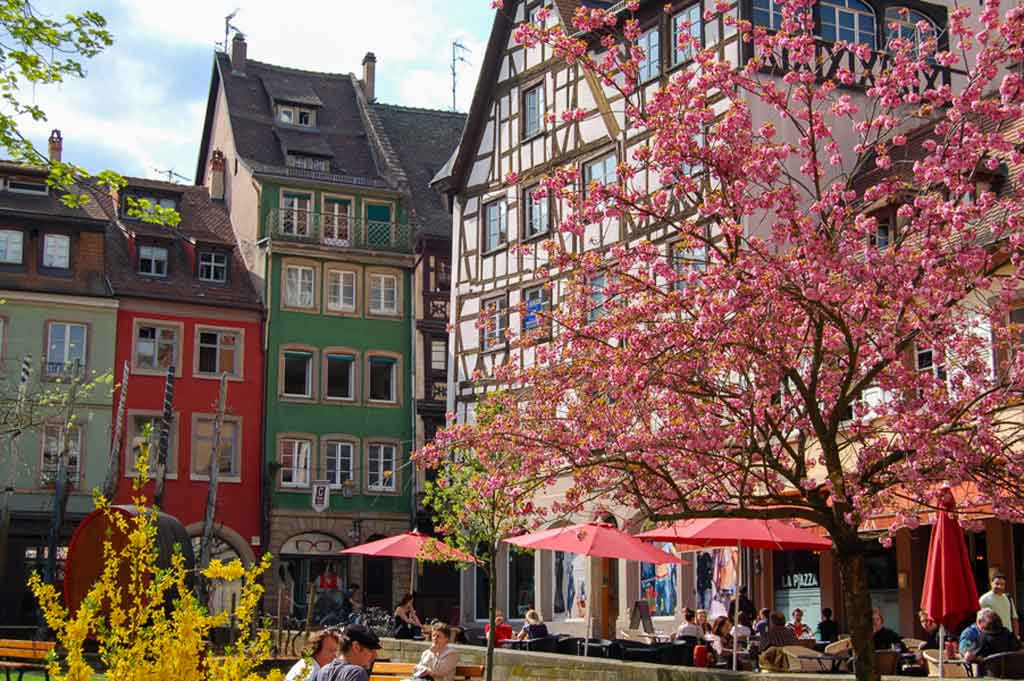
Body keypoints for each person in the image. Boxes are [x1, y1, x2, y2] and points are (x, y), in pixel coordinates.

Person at [314, 624, 381, 681]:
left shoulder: (323, 671)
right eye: (371, 650)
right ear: (356, 647)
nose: (375, 655)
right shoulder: (357, 673)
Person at [965, 611, 1022, 675]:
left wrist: (978, 658)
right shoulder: (1009, 634)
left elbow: (968, 657)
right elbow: (1021, 652)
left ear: (980, 623)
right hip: (1014, 675)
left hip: (991, 676)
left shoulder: (983, 638)